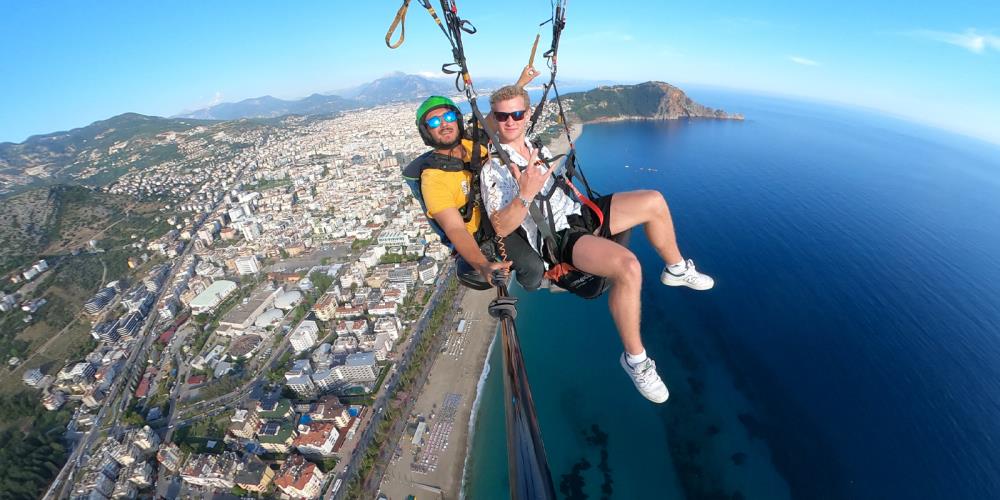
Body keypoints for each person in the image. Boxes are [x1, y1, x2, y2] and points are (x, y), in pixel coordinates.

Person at [480, 84, 715, 403]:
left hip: (579, 214)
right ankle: (636, 360)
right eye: (502, 115)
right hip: (560, 238)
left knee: (654, 201)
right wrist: (525, 193)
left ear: (527, 114)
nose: (510, 121)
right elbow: (500, 226)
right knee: (629, 268)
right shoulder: (493, 169)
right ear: (494, 118)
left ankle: (675, 268)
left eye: (517, 113)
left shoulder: (536, 146)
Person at [403, 66, 545, 290]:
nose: (444, 124)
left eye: (448, 116)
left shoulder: (472, 144)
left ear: (457, 120)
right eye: (434, 122)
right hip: (483, 232)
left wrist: (521, 83)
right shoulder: (433, 179)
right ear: (426, 132)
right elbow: (455, 228)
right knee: (533, 267)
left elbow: (498, 114)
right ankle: (535, 283)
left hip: (500, 206)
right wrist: (482, 265)